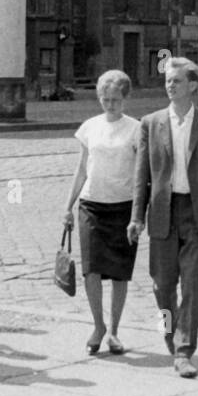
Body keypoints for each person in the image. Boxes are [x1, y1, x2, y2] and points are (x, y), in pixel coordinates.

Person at [128, 56, 198, 379]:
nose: (169, 85)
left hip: (197, 212)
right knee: (162, 286)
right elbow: (141, 176)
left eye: (176, 80)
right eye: (167, 81)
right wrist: (137, 218)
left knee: (192, 285)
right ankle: (170, 336)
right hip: (163, 212)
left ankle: (184, 349)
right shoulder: (150, 122)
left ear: (193, 85)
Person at [63, 70, 141, 355]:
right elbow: (82, 168)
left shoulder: (135, 128)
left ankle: (116, 332)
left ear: (125, 99)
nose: (110, 105)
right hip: (91, 205)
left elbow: (141, 174)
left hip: (123, 207)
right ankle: (98, 325)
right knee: (91, 270)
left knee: (120, 271)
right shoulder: (90, 127)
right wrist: (68, 205)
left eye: (116, 100)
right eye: (105, 99)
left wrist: (138, 213)